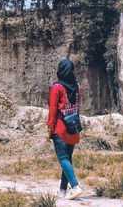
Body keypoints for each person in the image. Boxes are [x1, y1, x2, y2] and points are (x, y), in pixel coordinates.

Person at [47, 58, 83, 200]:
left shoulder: (57, 87)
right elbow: (78, 106)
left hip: (61, 128)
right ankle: (62, 191)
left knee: (63, 158)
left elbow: (53, 109)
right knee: (67, 159)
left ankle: (75, 186)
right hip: (73, 127)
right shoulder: (77, 86)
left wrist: (50, 126)